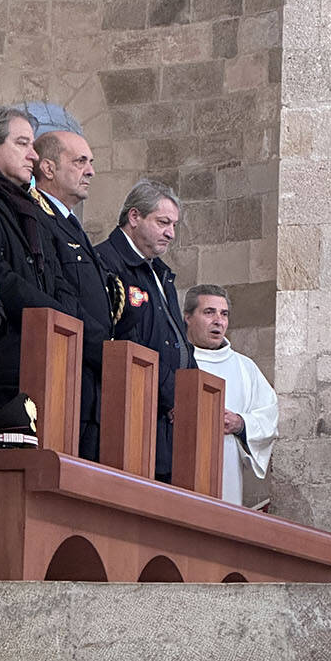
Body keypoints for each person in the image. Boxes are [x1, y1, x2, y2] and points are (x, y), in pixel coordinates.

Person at [0, 106, 78, 406]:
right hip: (4, 358)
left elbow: (57, 274)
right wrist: (54, 314)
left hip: (48, 350)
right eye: (23, 143)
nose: (34, 156)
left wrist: (67, 318)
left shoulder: (31, 209)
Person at [97, 180, 194, 481]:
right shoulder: (107, 262)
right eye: (163, 222)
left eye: (174, 225)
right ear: (135, 217)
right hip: (133, 412)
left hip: (167, 419)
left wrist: (192, 391)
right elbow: (125, 340)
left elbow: (178, 339)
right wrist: (174, 394)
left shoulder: (159, 271)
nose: (171, 233)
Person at [33, 130, 121, 459]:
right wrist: (103, 349)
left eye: (91, 162)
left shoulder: (69, 223)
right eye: (80, 161)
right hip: (66, 370)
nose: (91, 171)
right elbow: (61, 294)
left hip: (90, 374)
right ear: (48, 168)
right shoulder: (39, 218)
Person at [183, 285, 278, 506]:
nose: (218, 320)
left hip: (227, 475)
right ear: (188, 317)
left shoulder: (245, 367)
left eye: (224, 314)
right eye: (209, 312)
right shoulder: (174, 358)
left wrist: (241, 423)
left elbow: (269, 419)